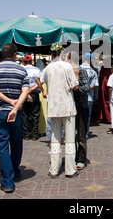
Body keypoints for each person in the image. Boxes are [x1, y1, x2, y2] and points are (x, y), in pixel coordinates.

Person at [0, 43, 30, 193]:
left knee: (3, 146)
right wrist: (15, 105)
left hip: (0, 112)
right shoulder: (21, 70)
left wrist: (8, 102)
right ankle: (15, 171)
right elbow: (25, 91)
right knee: (16, 143)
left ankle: (7, 180)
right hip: (16, 112)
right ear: (14, 54)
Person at [38, 43, 79, 179]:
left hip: (53, 107)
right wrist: (77, 77)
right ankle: (70, 169)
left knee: (55, 139)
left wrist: (44, 90)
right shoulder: (67, 66)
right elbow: (74, 86)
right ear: (61, 52)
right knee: (69, 139)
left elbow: (38, 78)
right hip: (67, 107)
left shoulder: (48, 67)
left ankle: (54, 169)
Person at [67, 51, 91, 171]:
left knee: (81, 134)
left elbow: (86, 87)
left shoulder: (81, 71)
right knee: (70, 134)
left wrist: (76, 87)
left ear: (70, 59)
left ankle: (81, 159)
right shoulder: (66, 71)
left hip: (81, 106)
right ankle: (72, 156)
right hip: (69, 107)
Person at [22, 54, 42, 141]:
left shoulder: (21, 69)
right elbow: (40, 82)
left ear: (24, 61)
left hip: (23, 94)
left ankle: (26, 134)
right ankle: (34, 134)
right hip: (34, 94)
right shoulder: (37, 70)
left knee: (25, 114)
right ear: (31, 61)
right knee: (35, 114)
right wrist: (31, 90)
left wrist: (27, 91)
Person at [80, 53, 99, 139]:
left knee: (78, 116)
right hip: (89, 97)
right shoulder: (93, 72)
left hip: (78, 96)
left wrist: (81, 89)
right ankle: (85, 134)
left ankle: (78, 133)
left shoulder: (77, 69)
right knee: (87, 117)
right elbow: (93, 86)